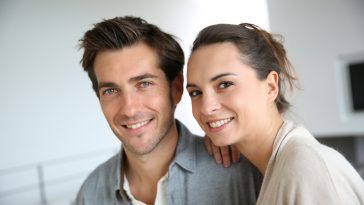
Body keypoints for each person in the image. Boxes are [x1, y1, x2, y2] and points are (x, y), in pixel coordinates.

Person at [75, 16, 262, 205]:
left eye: (144, 84)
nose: (130, 109)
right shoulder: (90, 193)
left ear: (177, 88)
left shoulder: (242, 173)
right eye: (111, 91)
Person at [186, 22, 364, 205]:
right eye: (195, 93)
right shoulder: (271, 169)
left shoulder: (308, 167)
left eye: (225, 84)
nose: (207, 108)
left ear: (270, 87)